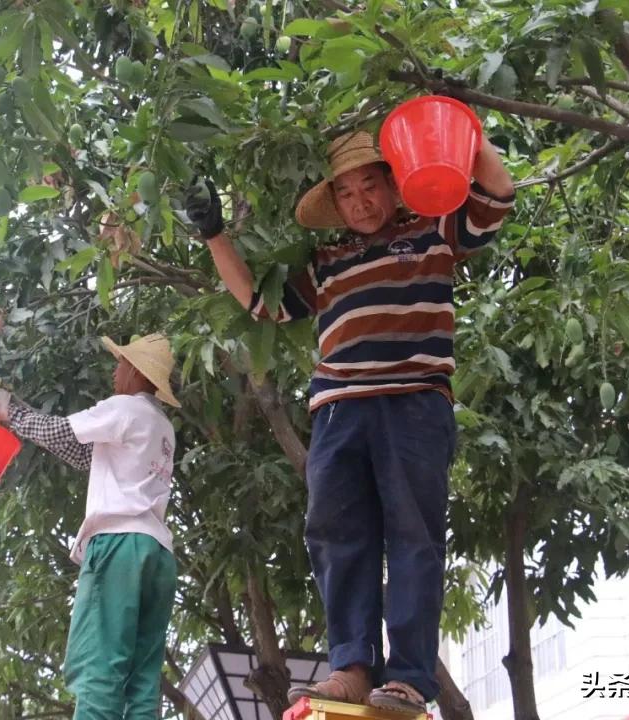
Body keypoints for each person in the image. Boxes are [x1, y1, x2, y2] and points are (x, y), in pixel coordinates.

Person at [185, 127, 514, 713]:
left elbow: (496, 195)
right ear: (334, 204)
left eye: (369, 185)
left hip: (413, 402)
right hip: (337, 411)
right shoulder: (327, 261)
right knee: (337, 538)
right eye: (346, 193)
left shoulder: (434, 230)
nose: (360, 201)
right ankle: (352, 668)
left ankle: (409, 677)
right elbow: (263, 304)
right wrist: (213, 235)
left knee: (413, 536)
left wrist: (467, 128)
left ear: (393, 186)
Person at [0, 333, 181, 720]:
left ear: (138, 372)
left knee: (99, 665)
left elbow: (61, 432)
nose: (115, 369)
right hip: (157, 553)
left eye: (122, 362)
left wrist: (12, 413)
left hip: (119, 546)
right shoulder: (162, 428)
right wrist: (19, 411)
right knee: (142, 680)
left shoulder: (124, 407)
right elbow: (82, 453)